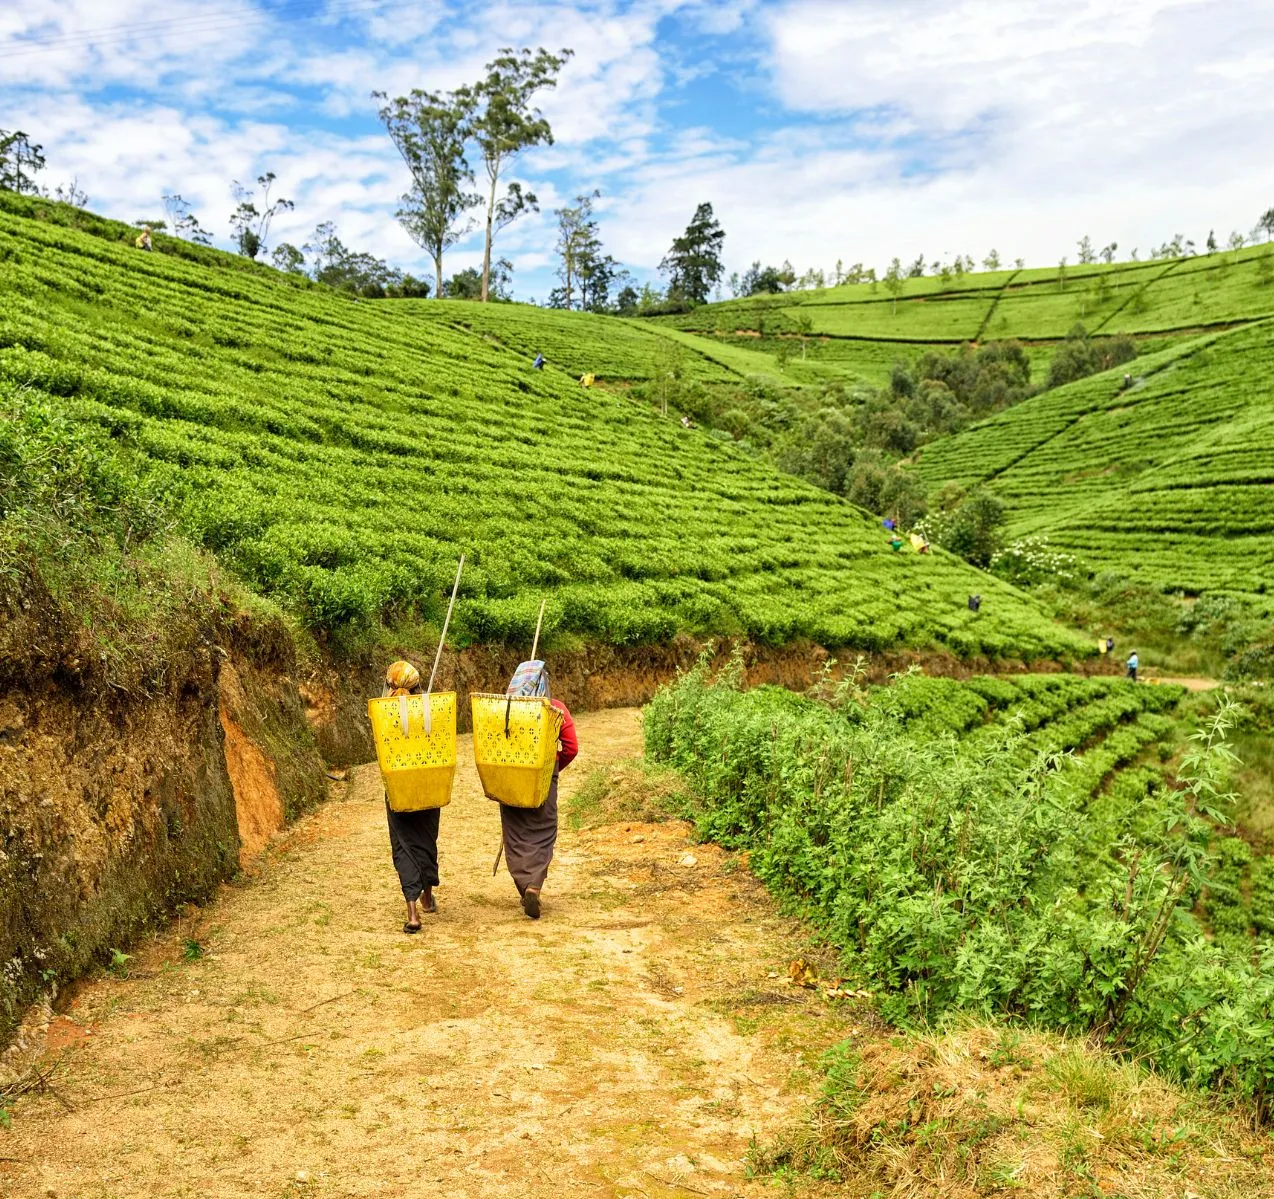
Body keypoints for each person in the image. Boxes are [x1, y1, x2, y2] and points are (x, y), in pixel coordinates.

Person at [498, 661, 578, 919]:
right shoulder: (556, 709)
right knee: (543, 831)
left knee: (516, 834)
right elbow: (571, 747)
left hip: (511, 777)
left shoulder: (503, 709)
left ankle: (524, 888)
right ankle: (535, 884)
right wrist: (552, 769)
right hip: (544, 778)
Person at [381, 660, 441, 933]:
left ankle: (413, 913)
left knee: (404, 845)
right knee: (426, 841)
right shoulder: (432, 712)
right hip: (429, 784)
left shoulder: (382, 714)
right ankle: (427, 897)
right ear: (417, 688)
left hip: (397, 787)